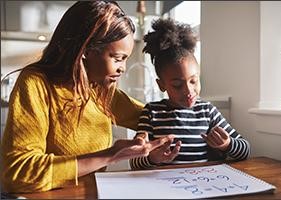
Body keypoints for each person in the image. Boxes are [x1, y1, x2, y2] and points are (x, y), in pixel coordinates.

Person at [0, 1, 177, 193]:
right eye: (118, 58)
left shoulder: (100, 88)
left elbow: (155, 119)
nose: (123, 68)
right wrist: (110, 155)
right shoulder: (35, 83)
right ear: (86, 50)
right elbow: (18, 173)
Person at [129, 18, 251, 169]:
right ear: (161, 85)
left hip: (202, 186)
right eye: (177, 85)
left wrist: (227, 145)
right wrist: (152, 158)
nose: (188, 91)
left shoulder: (207, 111)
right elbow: (134, 161)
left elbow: (245, 150)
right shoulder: (151, 112)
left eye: (193, 81)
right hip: (163, 187)